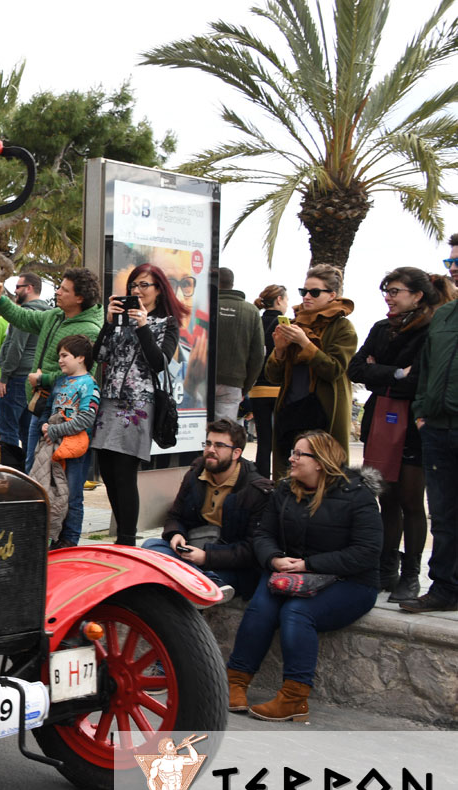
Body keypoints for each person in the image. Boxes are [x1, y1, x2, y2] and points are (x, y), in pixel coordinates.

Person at [225, 430, 381, 722]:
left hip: (350, 582)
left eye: (299, 454)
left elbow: (367, 553)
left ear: (320, 462)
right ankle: (236, 682)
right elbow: (263, 534)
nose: (291, 459)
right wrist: (274, 558)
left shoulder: (358, 495)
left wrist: (309, 564)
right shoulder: (285, 490)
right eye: (293, 452)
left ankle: (294, 699)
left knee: (297, 613)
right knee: (261, 609)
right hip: (290, 575)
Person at [0, 267, 104, 546]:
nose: (57, 292)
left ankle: (68, 541)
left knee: (69, 484)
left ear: (80, 298)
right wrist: (0, 298)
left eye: (64, 289)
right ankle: (38, 537)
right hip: (40, 406)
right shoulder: (54, 315)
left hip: (66, 417)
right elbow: (24, 317)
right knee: (34, 472)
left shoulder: (90, 329)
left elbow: (89, 372)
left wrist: (45, 377)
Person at [348, 267, 439, 602]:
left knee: (412, 500)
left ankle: (412, 574)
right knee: (384, 495)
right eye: (386, 290)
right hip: (380, 417)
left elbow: (422, 381)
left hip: (413, 422)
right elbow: (356, 369)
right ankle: (387, 568)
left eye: (396, 290)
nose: (389, 296)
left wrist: (381, 373)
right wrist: (398, 373)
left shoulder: (431, 329)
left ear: (417, 295)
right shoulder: (381, 328)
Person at [91, 263, 183, 545]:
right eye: (133, 286)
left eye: (144, 285)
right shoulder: (119, 321)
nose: (137, 291)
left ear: (159, 290)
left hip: (138, 405)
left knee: (124, 471)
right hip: (109, 401)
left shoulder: (167, 322)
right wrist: (108, 322)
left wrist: (143, 326)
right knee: (106, 469)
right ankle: (123, 534)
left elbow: (159, 362)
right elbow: (99, 355)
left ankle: (127, 540)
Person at [141, 419, 273, 598]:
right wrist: (176, 534)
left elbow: (251, 550)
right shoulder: (195, 473)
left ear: (236, 453)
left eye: (219, 445)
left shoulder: (256, 489)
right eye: (208, 443)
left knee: (171, 576)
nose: (211, 450)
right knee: (150, 546)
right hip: (192, 552)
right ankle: (199, 578)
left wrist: (207, 557)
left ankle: (200, 580)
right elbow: (174, 516)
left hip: (228, 564)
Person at [264, 263, 356, 480]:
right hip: (291, 411)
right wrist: (279, 349)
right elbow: (273, 376)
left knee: (325, 474)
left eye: (314, 292)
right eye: (303, 291)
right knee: (289, 476)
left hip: (323, 412)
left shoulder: (343, 327)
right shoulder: (295, 323)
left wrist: (305, 343)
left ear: (332, 295)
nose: (307, 297)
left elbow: (334, 369)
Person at [399, 279, 458, 613]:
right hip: (437, 428)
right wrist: (421, 410)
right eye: (452, 263)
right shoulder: (445, 315)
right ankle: (444, 589)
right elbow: (427, 368)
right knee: (443, 514)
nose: (454, 270)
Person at [28, 335, 98, 543]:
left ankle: (70, 540)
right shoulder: (60, 382)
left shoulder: (89, 385)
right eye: (60, 355)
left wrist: (56, 430)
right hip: (53, 446)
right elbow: (49, 410)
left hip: (76, 451)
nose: (60, 360)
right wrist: (44, 428)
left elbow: (87, 418)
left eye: (64, 355)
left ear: (80, 358)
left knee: (73, 495)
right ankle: (53, 538)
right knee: (52, 491)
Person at [0, 273, 50, 467]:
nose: (14, 291)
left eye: (18, 287)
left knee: (7, 433)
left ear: (29, 288)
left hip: (16, 379)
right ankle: (26, 478)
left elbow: (16, 347)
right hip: (35, 380)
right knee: (28, 433)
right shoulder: (49, 314)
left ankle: (9, 479)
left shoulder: (26, 314)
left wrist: (4, 377)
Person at [214, 267, 265, 422]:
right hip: (234, 382)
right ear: (232, 283)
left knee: (196, 432)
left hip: (201, 381)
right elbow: (258, 355)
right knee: (224, 430)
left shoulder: (205, 305)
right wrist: (246, 386)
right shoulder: (251, 311)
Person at [248, 284, 288, 476]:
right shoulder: (285, 323)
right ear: (279, 300)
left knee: (263, 441)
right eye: (286, 299)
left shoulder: (255, 321)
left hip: (257, 389)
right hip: (280, 388)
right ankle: (281, 481)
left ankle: (261, 481)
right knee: (281, 440)